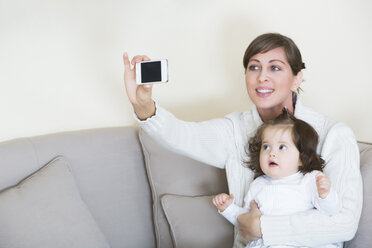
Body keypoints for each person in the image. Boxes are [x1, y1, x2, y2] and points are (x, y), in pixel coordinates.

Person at [123, 33, 362, 247]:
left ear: (297, 78)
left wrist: (262, 228)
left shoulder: (334, 134)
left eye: (275, 68)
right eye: (254, 67)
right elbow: (183, 135)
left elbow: (345, 223)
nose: (262, 78)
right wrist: (143, 105)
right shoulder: (235, 129)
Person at [213, 109, 342, 248]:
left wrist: (325, 195)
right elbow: (246, 222)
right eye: (266, 147)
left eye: (282, 147)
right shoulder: (258, 185)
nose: (272, 153)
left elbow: (331, 212)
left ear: (302, 158)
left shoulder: (310, 180)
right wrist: (228, 208)